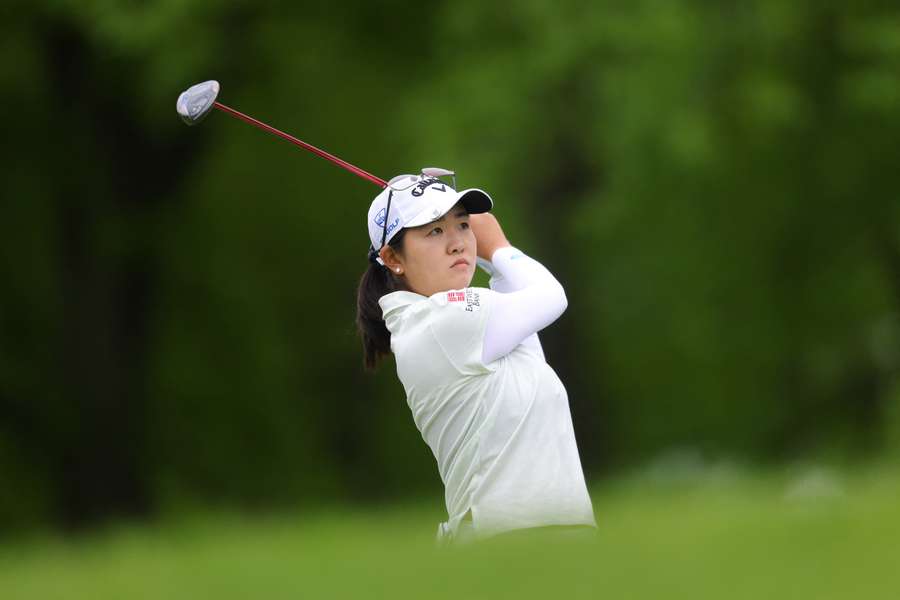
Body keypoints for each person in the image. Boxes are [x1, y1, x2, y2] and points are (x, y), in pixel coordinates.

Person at [356, 168, 596, 544]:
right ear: (392, 257)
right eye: (434, 231)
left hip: (547, 538)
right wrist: (497, 247)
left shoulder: (469, 325)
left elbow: (523, 305)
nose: (457, 243)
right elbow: (551, 297)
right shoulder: (440, 321)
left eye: (463, 225)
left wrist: (488, 258)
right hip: (510, 542)